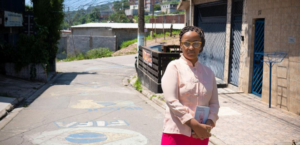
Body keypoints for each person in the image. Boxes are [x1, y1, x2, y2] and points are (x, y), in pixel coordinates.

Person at [161, 26, 220, 145]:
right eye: (186, 43)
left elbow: (214, 103)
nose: (191, 47)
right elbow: (171, 101)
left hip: (200, 136)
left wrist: (209, 123)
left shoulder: (209, 73)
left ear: (201, 45)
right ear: (180, 45)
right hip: (176, 133)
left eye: (196, 43)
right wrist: (193, 124)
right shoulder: (174, 67)